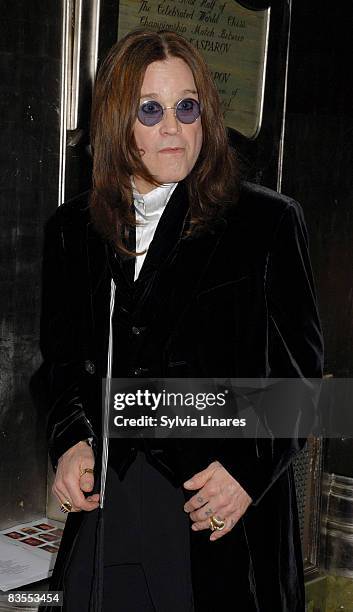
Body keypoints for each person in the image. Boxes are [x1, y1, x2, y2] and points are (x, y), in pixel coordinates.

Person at [34, 28, 324, 612]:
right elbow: (60, 366)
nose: (174, 126)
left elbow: (308, 385)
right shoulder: (73, 230)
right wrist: (68, 441)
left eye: (186, 106)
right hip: (111, 503)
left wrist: (245, 469)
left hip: (215, 510)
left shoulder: (264, 224)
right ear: (119, 122)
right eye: (151, 109)